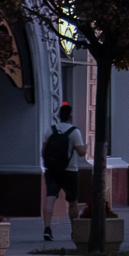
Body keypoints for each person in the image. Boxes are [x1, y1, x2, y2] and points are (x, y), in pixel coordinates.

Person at [41, 102, 86, 242]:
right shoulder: (74, 132)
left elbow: (43, 152)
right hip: (70, 171)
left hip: (52, 170)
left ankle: (47, 228)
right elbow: (80, 153)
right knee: (73, 202)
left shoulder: (50, 130)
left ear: (59, 116)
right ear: (71, 116)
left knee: (50, 199)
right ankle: (76, 231)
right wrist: (87, 147)